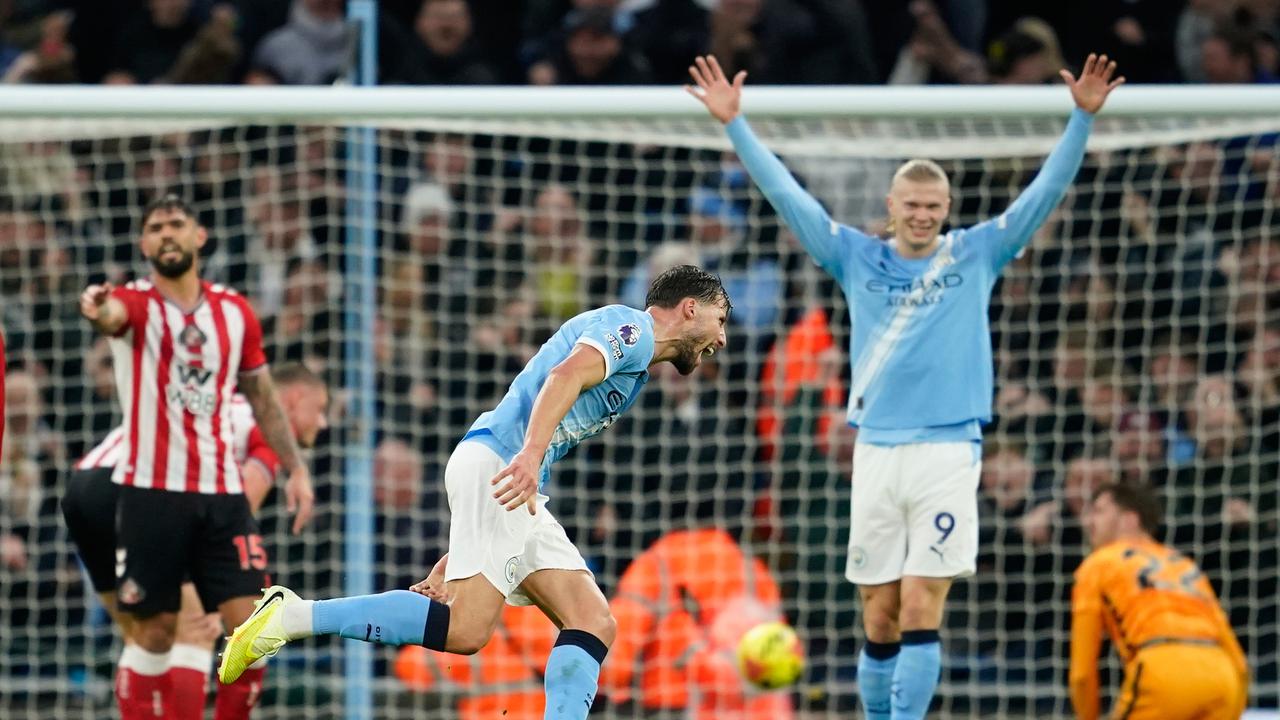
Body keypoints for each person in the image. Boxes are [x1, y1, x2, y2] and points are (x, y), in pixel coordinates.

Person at [685, 52, 1124, 719]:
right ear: (891, 207)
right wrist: (735, 125)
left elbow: (1043, 194)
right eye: (911, 205)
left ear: (947, 210)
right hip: (876, 450)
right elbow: (789, 198)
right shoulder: (854, 255)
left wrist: (1081, 121)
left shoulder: (977, 251)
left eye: (933, 207)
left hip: (948, 451)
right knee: (880, 613)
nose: (922, 215)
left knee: (922, 604)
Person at [218, 265, 730, 720]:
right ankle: (291, 616)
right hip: (505, 466)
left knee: (593, 620)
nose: (722, 338)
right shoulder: (632, 331)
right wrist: (529, 455)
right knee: (465, 631)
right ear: (690, 308)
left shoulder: (637, 361)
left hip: (510, 479)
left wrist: (464, 546)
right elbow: (564, 375)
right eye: (720, 320)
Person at [77, 194, 314, 720]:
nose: (167, 233)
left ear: (198, 237)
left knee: (255, 630)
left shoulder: (234, 312)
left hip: (222, 496)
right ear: (144, 244)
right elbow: (110, 315)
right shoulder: (136, 302)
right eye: (156, 227)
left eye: (176, 224)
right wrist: (97, 307)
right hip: (152, 495)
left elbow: (262, 395)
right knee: (157, 634)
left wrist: (296, 467)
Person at [61, 362, 327, 719]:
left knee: (144, 639)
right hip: (141, 490)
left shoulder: (217, 408)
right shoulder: (263, 424)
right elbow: (237, 510)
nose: (322, 422)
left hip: (83, 488)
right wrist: (212, 584)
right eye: (319, 409)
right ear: (293, 399)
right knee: (201, 630)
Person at [1070, 482, 1248, 720]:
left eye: (1099, 511)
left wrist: (1087, 715)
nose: (1088, 521)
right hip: (1222, 675)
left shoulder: (1098, 563)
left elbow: (1082, 673)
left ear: (1130, 520)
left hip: (1163, 671)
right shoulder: (1183, 565)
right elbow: (1235, 653)